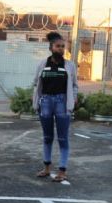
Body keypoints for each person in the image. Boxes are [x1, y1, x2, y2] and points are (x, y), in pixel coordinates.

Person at [32, 31, 78, 183]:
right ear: (51, 48)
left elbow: (74, 85)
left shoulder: (69, 66)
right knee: (47, 137)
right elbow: (35, 83)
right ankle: (46, 168)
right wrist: (37, 101)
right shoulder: (42, 65)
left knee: (63, 138)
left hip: (62, 103)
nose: (61, 49)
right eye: (58, 46)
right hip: (45, 102)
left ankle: (62, 171)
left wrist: (74, 98)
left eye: (63, 47)